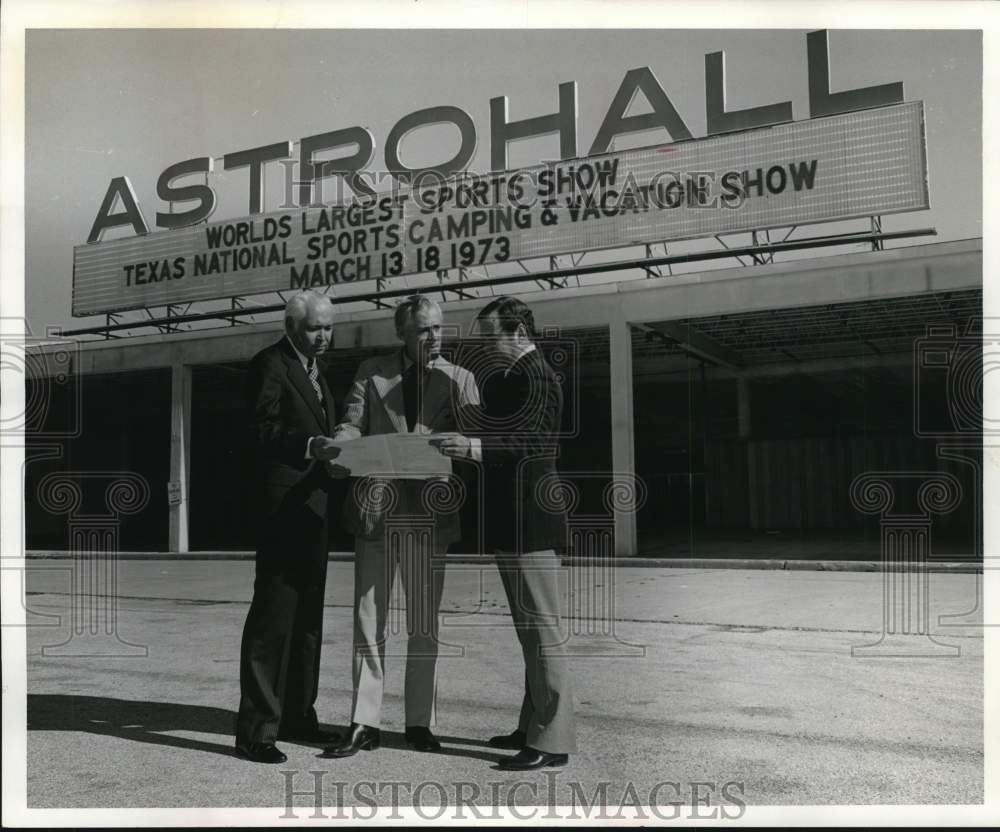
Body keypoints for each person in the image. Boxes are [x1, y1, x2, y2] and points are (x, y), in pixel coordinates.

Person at [322, 295, 479, 758]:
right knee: (368, 620)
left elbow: (481, 434)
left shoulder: (461, 379)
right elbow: (352, 425)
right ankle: (364, 722)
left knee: (424, 624)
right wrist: (340, 446)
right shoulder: (372, 373)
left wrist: (463, 443)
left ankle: (419, 724)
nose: (433, 338)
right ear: (403, 334)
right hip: (377, 509)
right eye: (423, 331)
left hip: (430, 514)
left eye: (438, 329)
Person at [437, 295, 576, 771]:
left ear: (517, 332)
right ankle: (533, 725)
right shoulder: (515, 378)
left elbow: (533, 442)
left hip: (532, 520)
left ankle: (553, 741)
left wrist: (472, 445)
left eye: (489, 338)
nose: (484, 348)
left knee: (543, 632)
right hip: (515, 520)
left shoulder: (538, 375)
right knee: (529, 633)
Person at [235, 290, 346, 764]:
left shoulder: (320, 375)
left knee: (308, 623)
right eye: (315, 328)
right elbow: (259, 431)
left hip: (315, 511)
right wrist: (310, 446)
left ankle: (299, 715)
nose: (324, 336)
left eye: (328, 327)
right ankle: (257, 731)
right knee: (273, 621)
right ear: (291, 325)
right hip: (282, 513)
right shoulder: (270, 364)